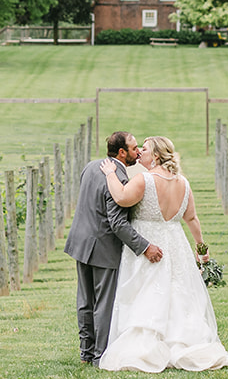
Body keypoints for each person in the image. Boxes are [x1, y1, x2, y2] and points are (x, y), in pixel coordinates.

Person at [97, 135, 228, 372]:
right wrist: (202, 249)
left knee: (147, 291)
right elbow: (191, 218)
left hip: (149, 245)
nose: (140, 151)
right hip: (175, 244)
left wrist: (110, 173)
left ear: (157, 156)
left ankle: (146, 349)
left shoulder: (144, 180)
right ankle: (183, 342)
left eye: (145, 148)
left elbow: (120, 196)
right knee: (177, 291)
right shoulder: (183, 182)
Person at [65, 130, 165, 364]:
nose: (138, 151)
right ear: (122, 152)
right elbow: (118, 224)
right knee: (104, 304)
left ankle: (86, 353)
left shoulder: (90, 167)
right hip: (103, 247)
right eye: (133, 148)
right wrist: (145, 246)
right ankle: (101, 356)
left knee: (85, 301)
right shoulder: (119, 180)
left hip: (80, 243)